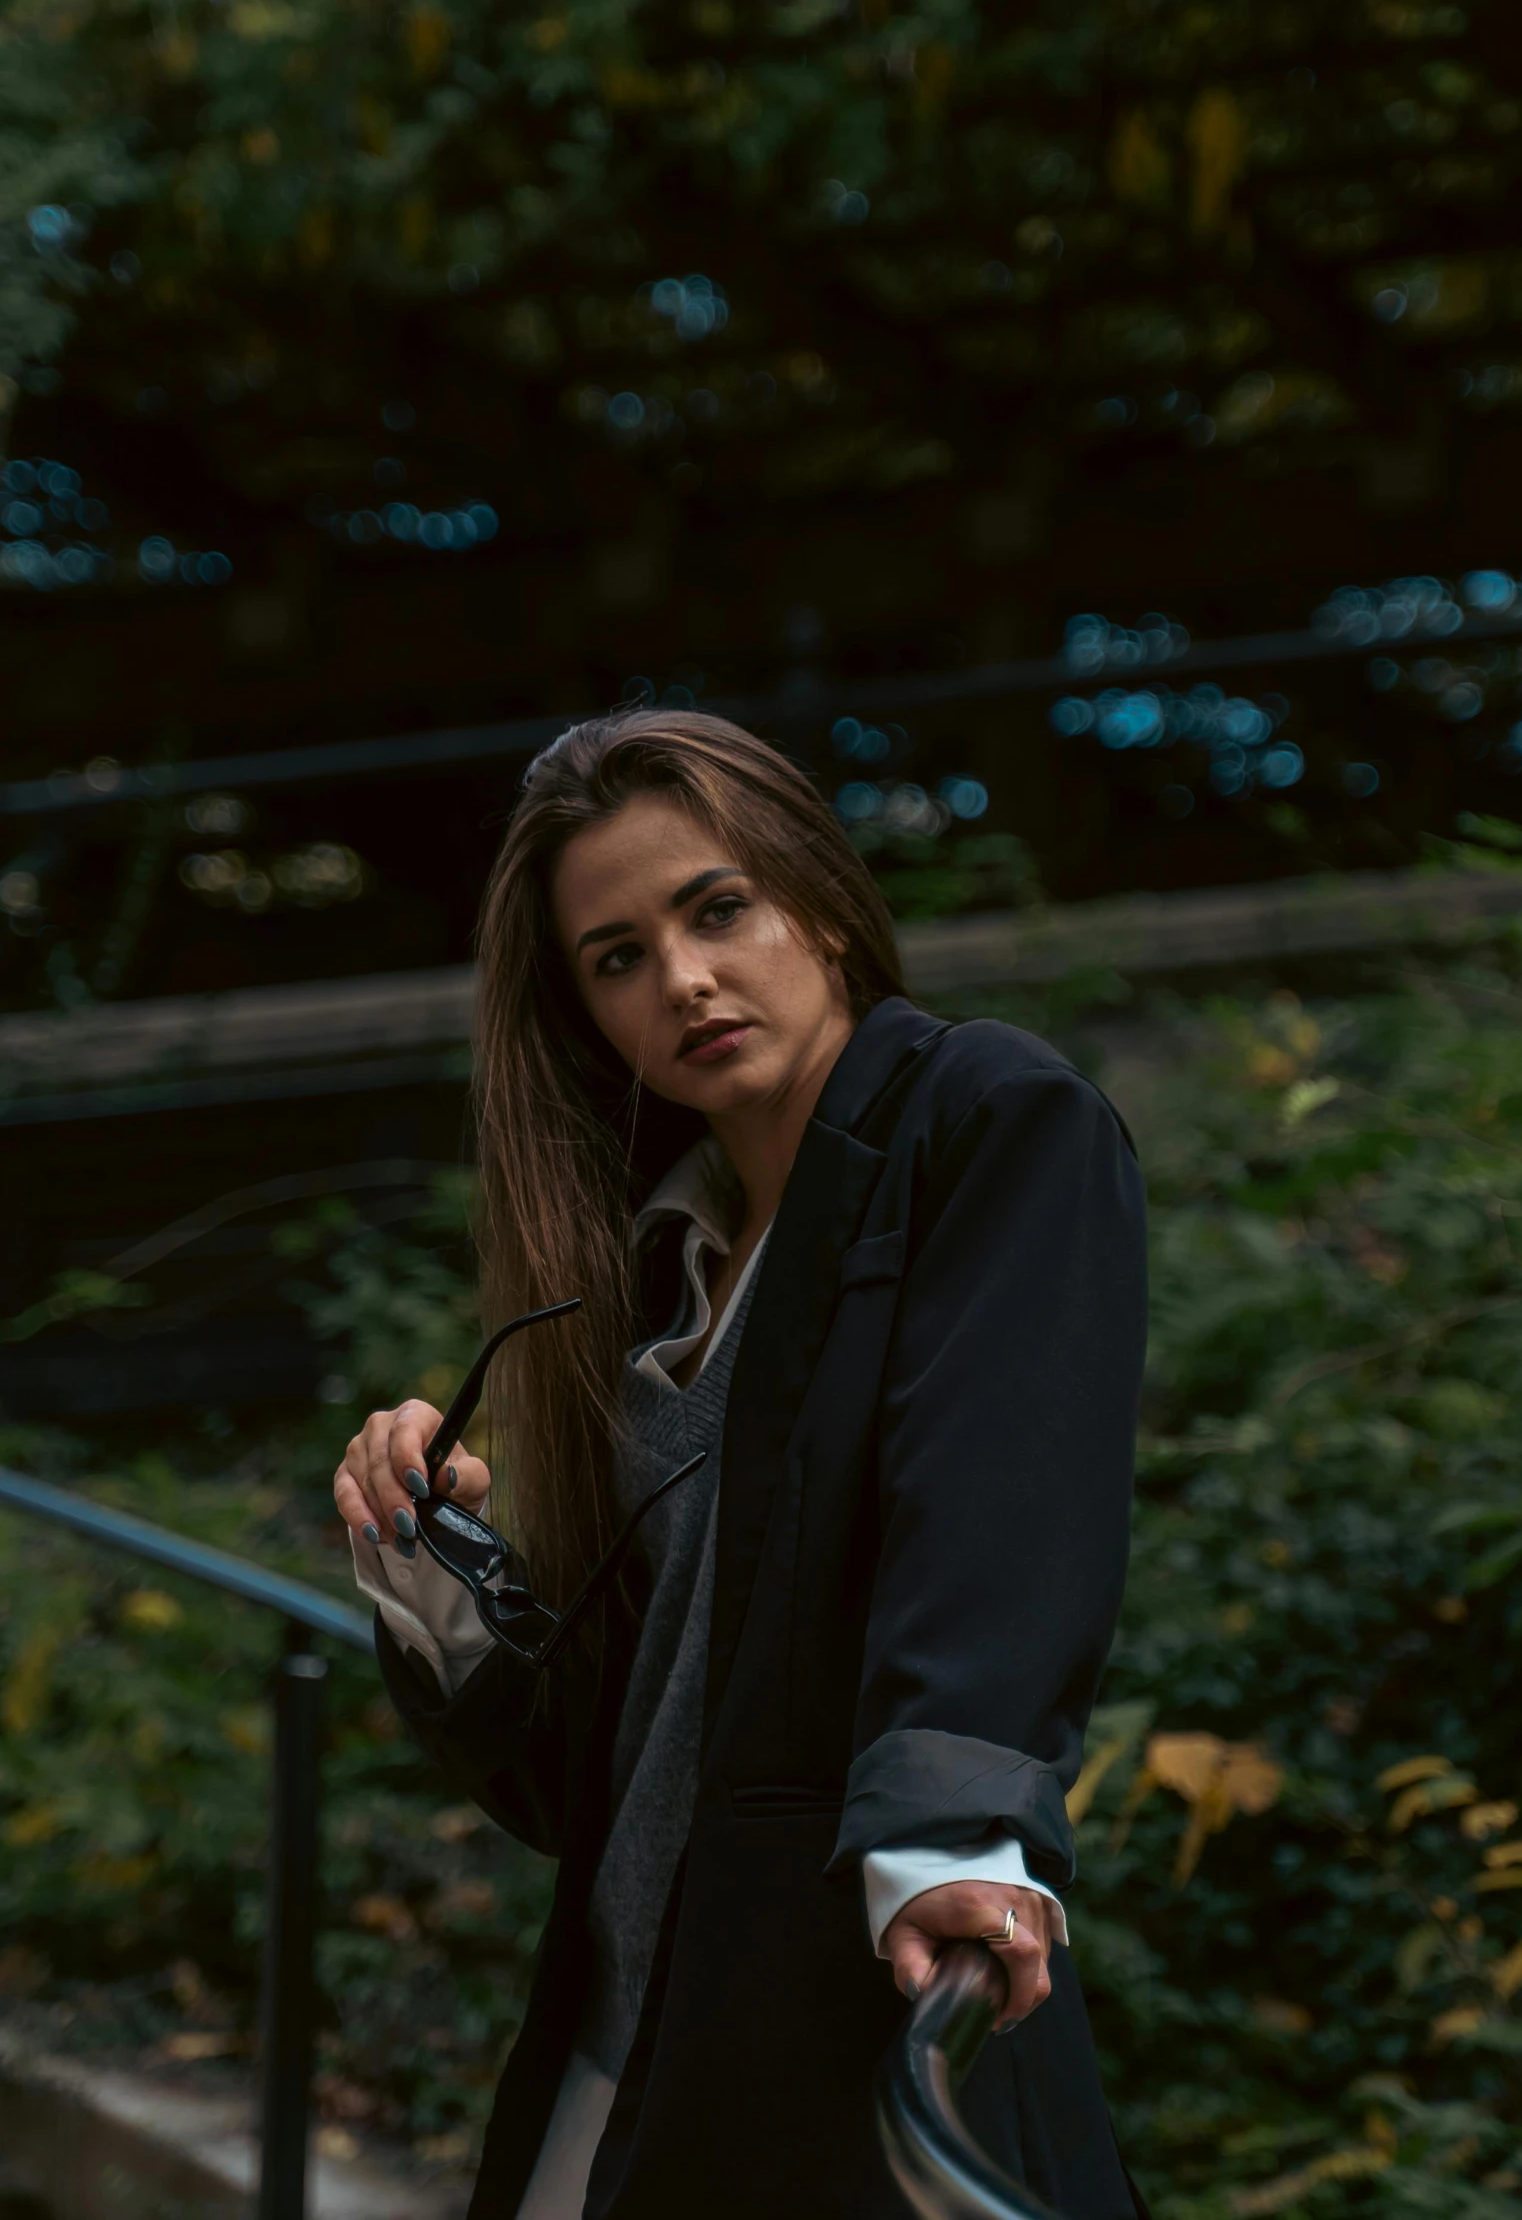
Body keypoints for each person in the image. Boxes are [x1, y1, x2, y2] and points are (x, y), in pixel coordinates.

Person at [331, 710, 1148, 2220]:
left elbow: (1001, 1492)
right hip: (626, 2030)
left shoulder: (982, 1118)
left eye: (717, 908)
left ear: (820, 900)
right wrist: (429, 1559)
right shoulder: (648, 1275)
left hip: (843, 1995)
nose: (684, 979)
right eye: (617, 956)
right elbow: (581, 1773)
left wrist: (956, 1822)